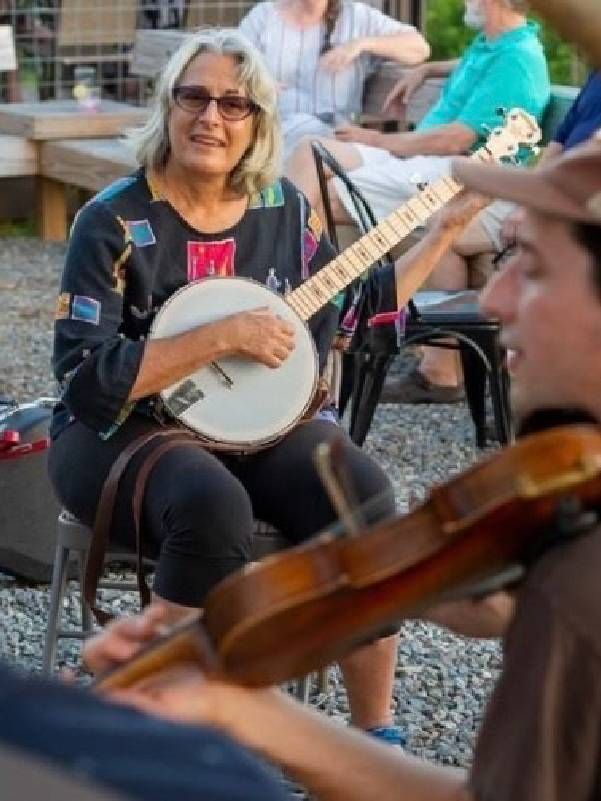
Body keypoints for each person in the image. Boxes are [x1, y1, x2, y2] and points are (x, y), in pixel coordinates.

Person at [85, 132, 601, 801]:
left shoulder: (580, 589)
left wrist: (246, 707)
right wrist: (398, 579)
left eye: (529, 267)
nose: (493, 299)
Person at [47, 27, 408, 745]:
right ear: (167, 105)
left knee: (360, 490)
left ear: (258, 124)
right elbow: (86, 381)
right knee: (212, 503)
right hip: (123, 430)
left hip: (253, 422)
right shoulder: (112, 220)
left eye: (233, 104)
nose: (210, 117)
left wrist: (440, 231)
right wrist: (216, 337)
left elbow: (344, 312)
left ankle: (376, 739)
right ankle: (166, 739)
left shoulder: (283, 210)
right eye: (194, 96)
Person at [382, 69, 601, 403]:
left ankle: (443, 371)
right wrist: (535, 199)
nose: (493, 299)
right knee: (443, 226)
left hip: (573, 202)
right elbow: (558, 142)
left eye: (537, 270)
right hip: (555, 194)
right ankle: (442, 368)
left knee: (444, 232)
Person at [285, 0, 549, 227]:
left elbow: (456, 140)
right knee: (310, 150)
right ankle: (274, 270)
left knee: (326, 193)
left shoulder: (518, 60)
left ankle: (286, 277)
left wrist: (375, 139)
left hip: (453, 169)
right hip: (418, 156)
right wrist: (427, 69)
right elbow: (475, 66)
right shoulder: (496, 43)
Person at [238, 0, 430, 156]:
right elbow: (231, 65)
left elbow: (419, 49)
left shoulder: (357, 17)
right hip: (272, 136)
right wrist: (257, 83)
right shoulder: (265, 16)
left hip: (333, 138)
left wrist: (361, 44)